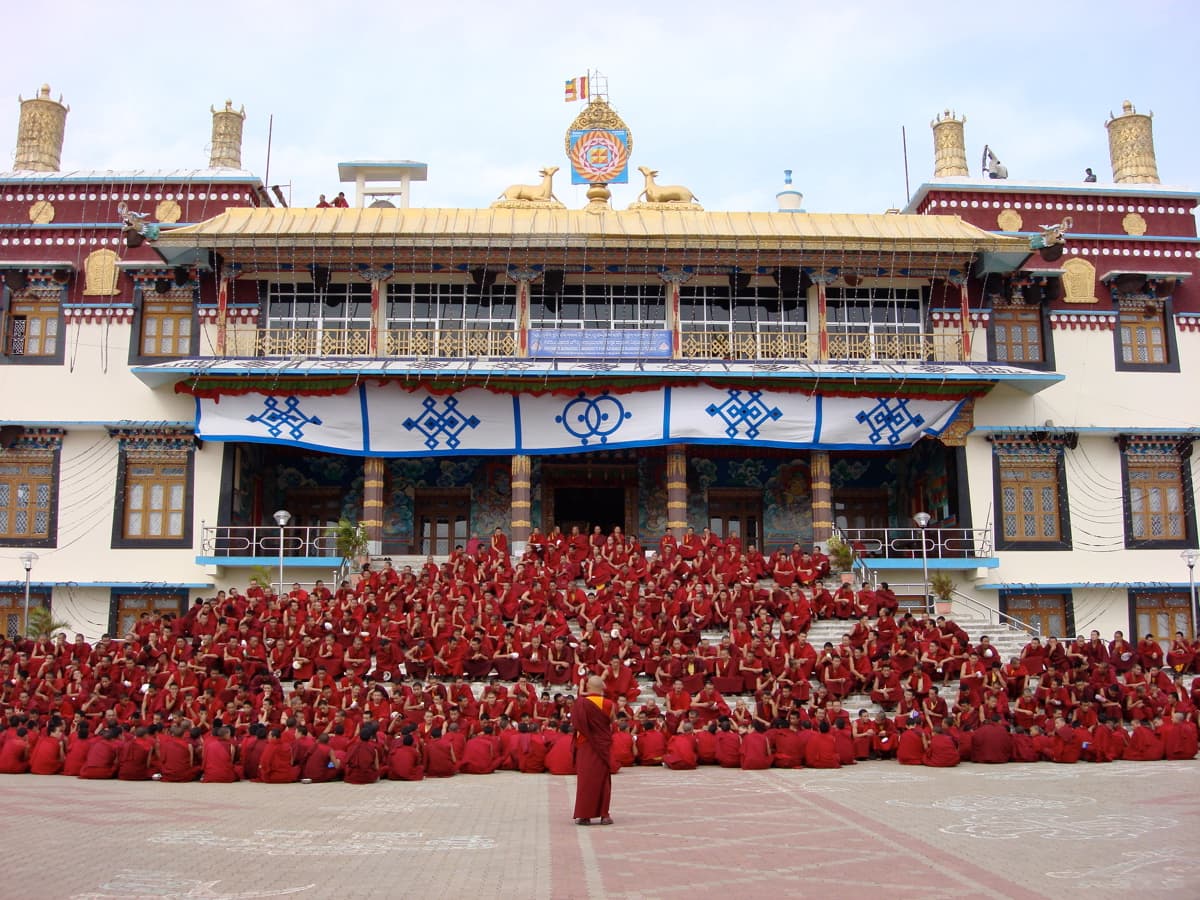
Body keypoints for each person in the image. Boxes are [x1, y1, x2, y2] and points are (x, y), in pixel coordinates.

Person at [572, 675, 614, 826]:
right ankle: (604, 816)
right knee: (603, 781)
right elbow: (610, 721)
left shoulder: (580, 703)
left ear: (588, 687)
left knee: (585, 781)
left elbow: (577, 725)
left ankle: (585, 816)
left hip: (585, 746)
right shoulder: (609, 704)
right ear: (602, 688)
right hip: (602, 746)